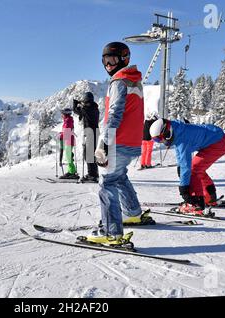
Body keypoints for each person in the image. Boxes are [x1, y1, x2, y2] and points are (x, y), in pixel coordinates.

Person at [85, 42, 154, 246]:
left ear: (124, 59)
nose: (108, 65)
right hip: (132, 141)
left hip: (118, 140)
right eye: (105, 61)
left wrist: (105, 143)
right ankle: (132, 212)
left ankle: (111, 232)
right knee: (119, 177)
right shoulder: (134, 80)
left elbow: (115, 113)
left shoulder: (119, 81)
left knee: (107, 183)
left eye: (112, 60)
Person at [149, 118, 225, 215]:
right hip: (217, 140)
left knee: (194, 169)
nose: (160, 141)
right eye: (156, 140)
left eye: (159, 138)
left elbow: (186, 166)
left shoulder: (183, 138)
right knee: (197, 169)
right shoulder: (177, 131)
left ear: (166, 132)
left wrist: (184, 188)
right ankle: (210, 197)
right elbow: (180, 154)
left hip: (218, 143)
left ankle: (196, 204)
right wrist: (179, 167)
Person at [73, 92, 100, 183]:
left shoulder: (86, 109)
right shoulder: (95, 108)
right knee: (91, 154)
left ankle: (92, 175)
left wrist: (75, 103)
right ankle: (94, 174)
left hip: (89, 132)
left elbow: (76, 111)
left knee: (88, 154)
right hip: (95, 132)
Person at [59, 108, 78, 179]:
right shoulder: (67, 120)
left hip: (69, 140)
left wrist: (61, 136)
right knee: (68, 156)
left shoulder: (68, 121)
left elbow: (66, 131)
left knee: (68, 156)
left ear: (65, 114)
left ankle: (72, 172)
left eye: (63, 113)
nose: (62, 115)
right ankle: (71, 171)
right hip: (69, 140)